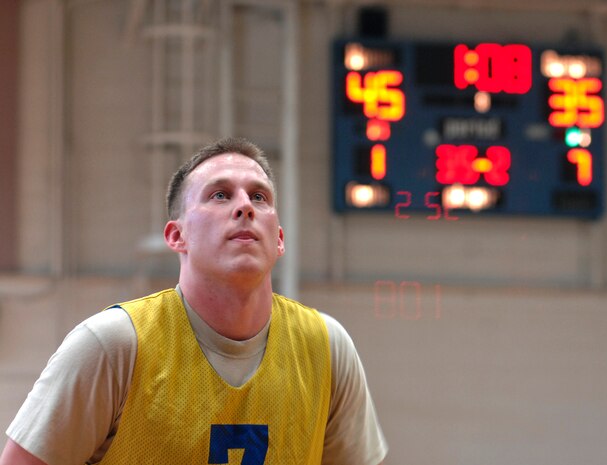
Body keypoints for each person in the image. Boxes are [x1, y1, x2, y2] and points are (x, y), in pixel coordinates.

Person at [0, 137, 388, 464]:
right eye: (220, 195)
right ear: (176, 236)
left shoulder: (328, 346)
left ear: (280, 239)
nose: (245, 206)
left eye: (259, 196)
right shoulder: (113, 345)